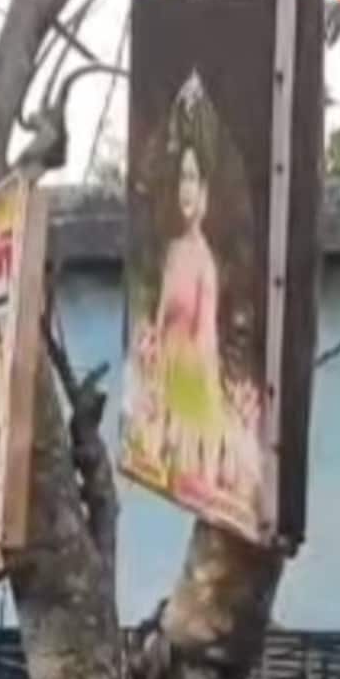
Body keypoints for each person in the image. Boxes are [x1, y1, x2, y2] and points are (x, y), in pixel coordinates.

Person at [155, 139, 226, 491]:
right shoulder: (172, 252)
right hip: (159, 395)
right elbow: (157, 326)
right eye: (181, 177)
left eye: (192, 178)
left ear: (204, 191)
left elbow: (204, 348)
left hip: (189, 400)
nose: (185, 188)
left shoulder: (204, 263)